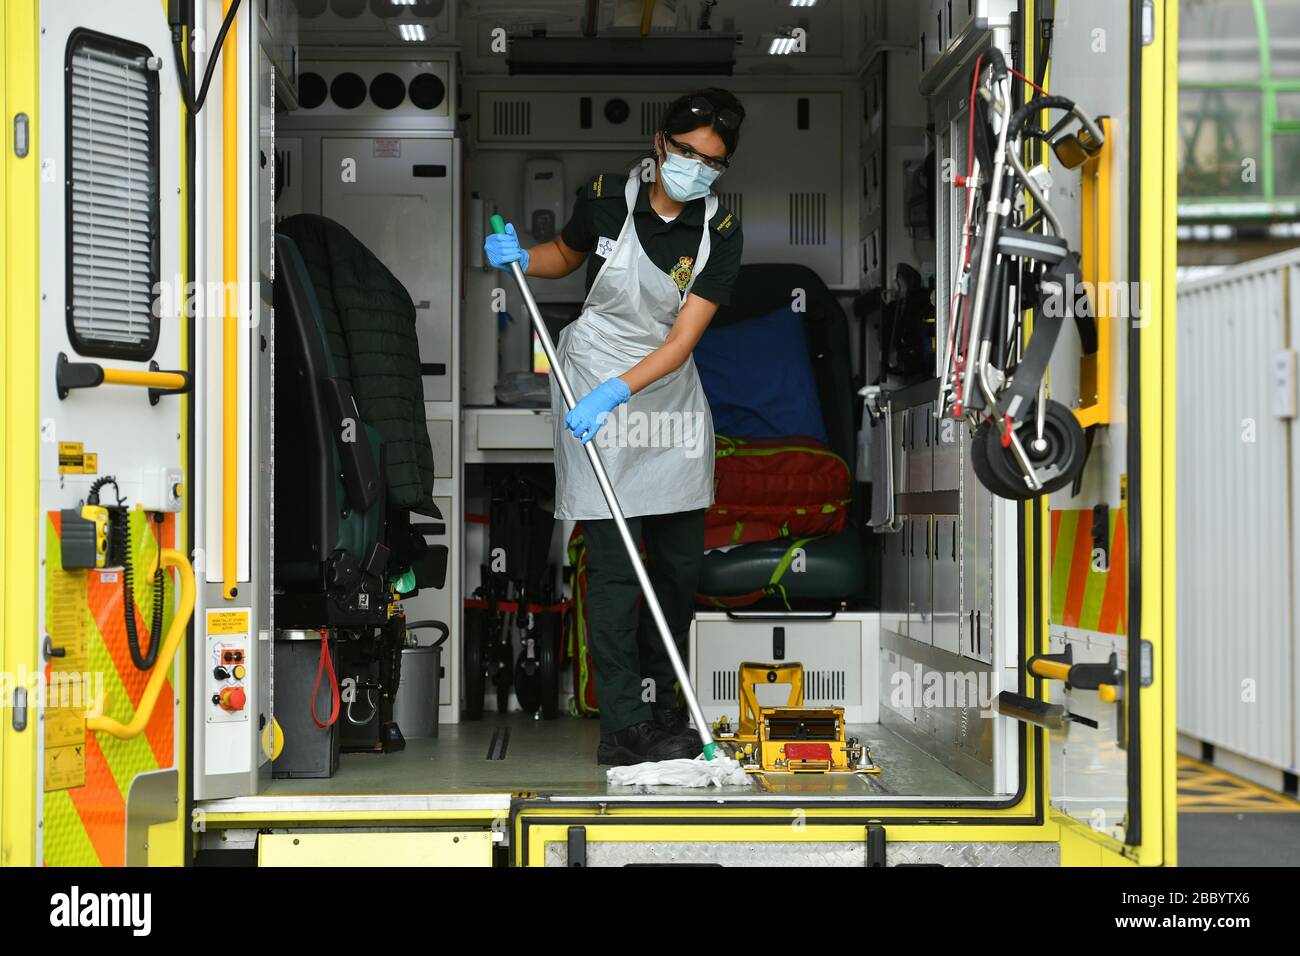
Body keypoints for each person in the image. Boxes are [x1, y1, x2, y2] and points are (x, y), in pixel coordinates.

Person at [484, 89, 745, 765]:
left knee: (678, 572)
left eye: (710, 162)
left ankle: (668, 712)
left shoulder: (720, 228)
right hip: (594, 379)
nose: (695, 167)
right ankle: (624, 727)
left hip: (663, 398)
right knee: (615, 572)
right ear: (661, 143)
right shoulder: (604, 194)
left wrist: (615, 393)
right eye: (686, 152)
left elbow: (681, 342)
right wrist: (520, 255)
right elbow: (568, 256)